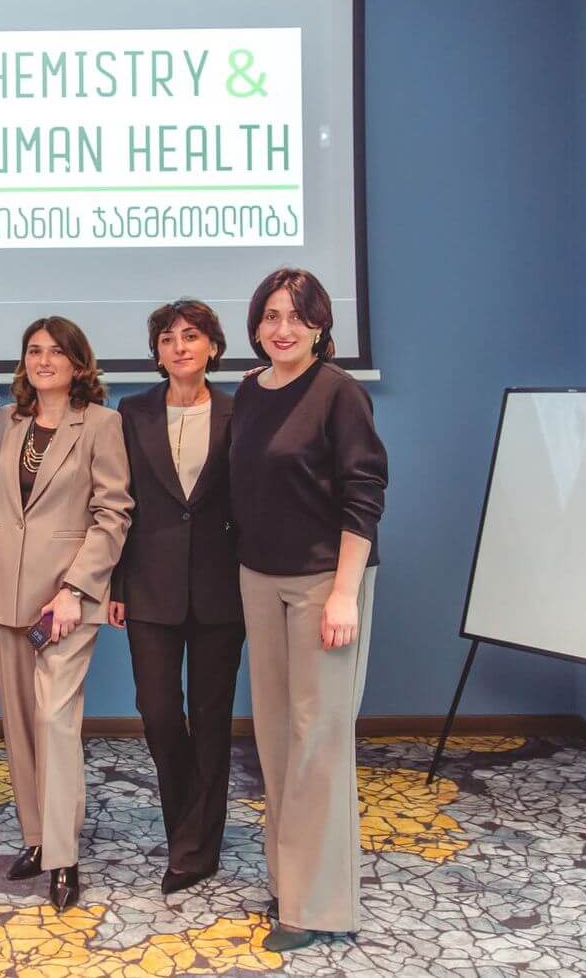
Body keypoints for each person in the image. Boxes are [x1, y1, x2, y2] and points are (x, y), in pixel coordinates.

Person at [230, 267, 387, 953]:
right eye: (271, 315)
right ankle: (288, 881)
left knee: (317, 742)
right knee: (275, 739)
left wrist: (345, 593)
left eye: (297, 316)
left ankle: (317, 907)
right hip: (259, 580)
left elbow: (364, 494)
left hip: (326, 583)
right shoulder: (250, 390)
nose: (283, 328)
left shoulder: (339, 392)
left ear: (322, 325)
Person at [0, 316, 132, 910]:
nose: (43, 360)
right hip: (7, 593)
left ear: (78, 363)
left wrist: (75, 589)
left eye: (57, 352)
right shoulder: (7, 422)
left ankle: (64, 858)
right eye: (34, 350)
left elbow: (113, 513)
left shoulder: (102, 425)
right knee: (20, 725)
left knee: (55, 723)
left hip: (65, 601)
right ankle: (38, 838)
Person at [109, 299, 243, 896]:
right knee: (160, 713)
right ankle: (190, 822)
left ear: (213, 346)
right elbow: (120, 504)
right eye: (167, 338)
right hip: (148, 585)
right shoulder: (132, 412)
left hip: (223, 588)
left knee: (212, 718)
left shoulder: (241, 412)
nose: (179, 347)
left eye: (191, 336)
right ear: (157, 352)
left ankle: (194, 847)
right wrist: (116, 584)